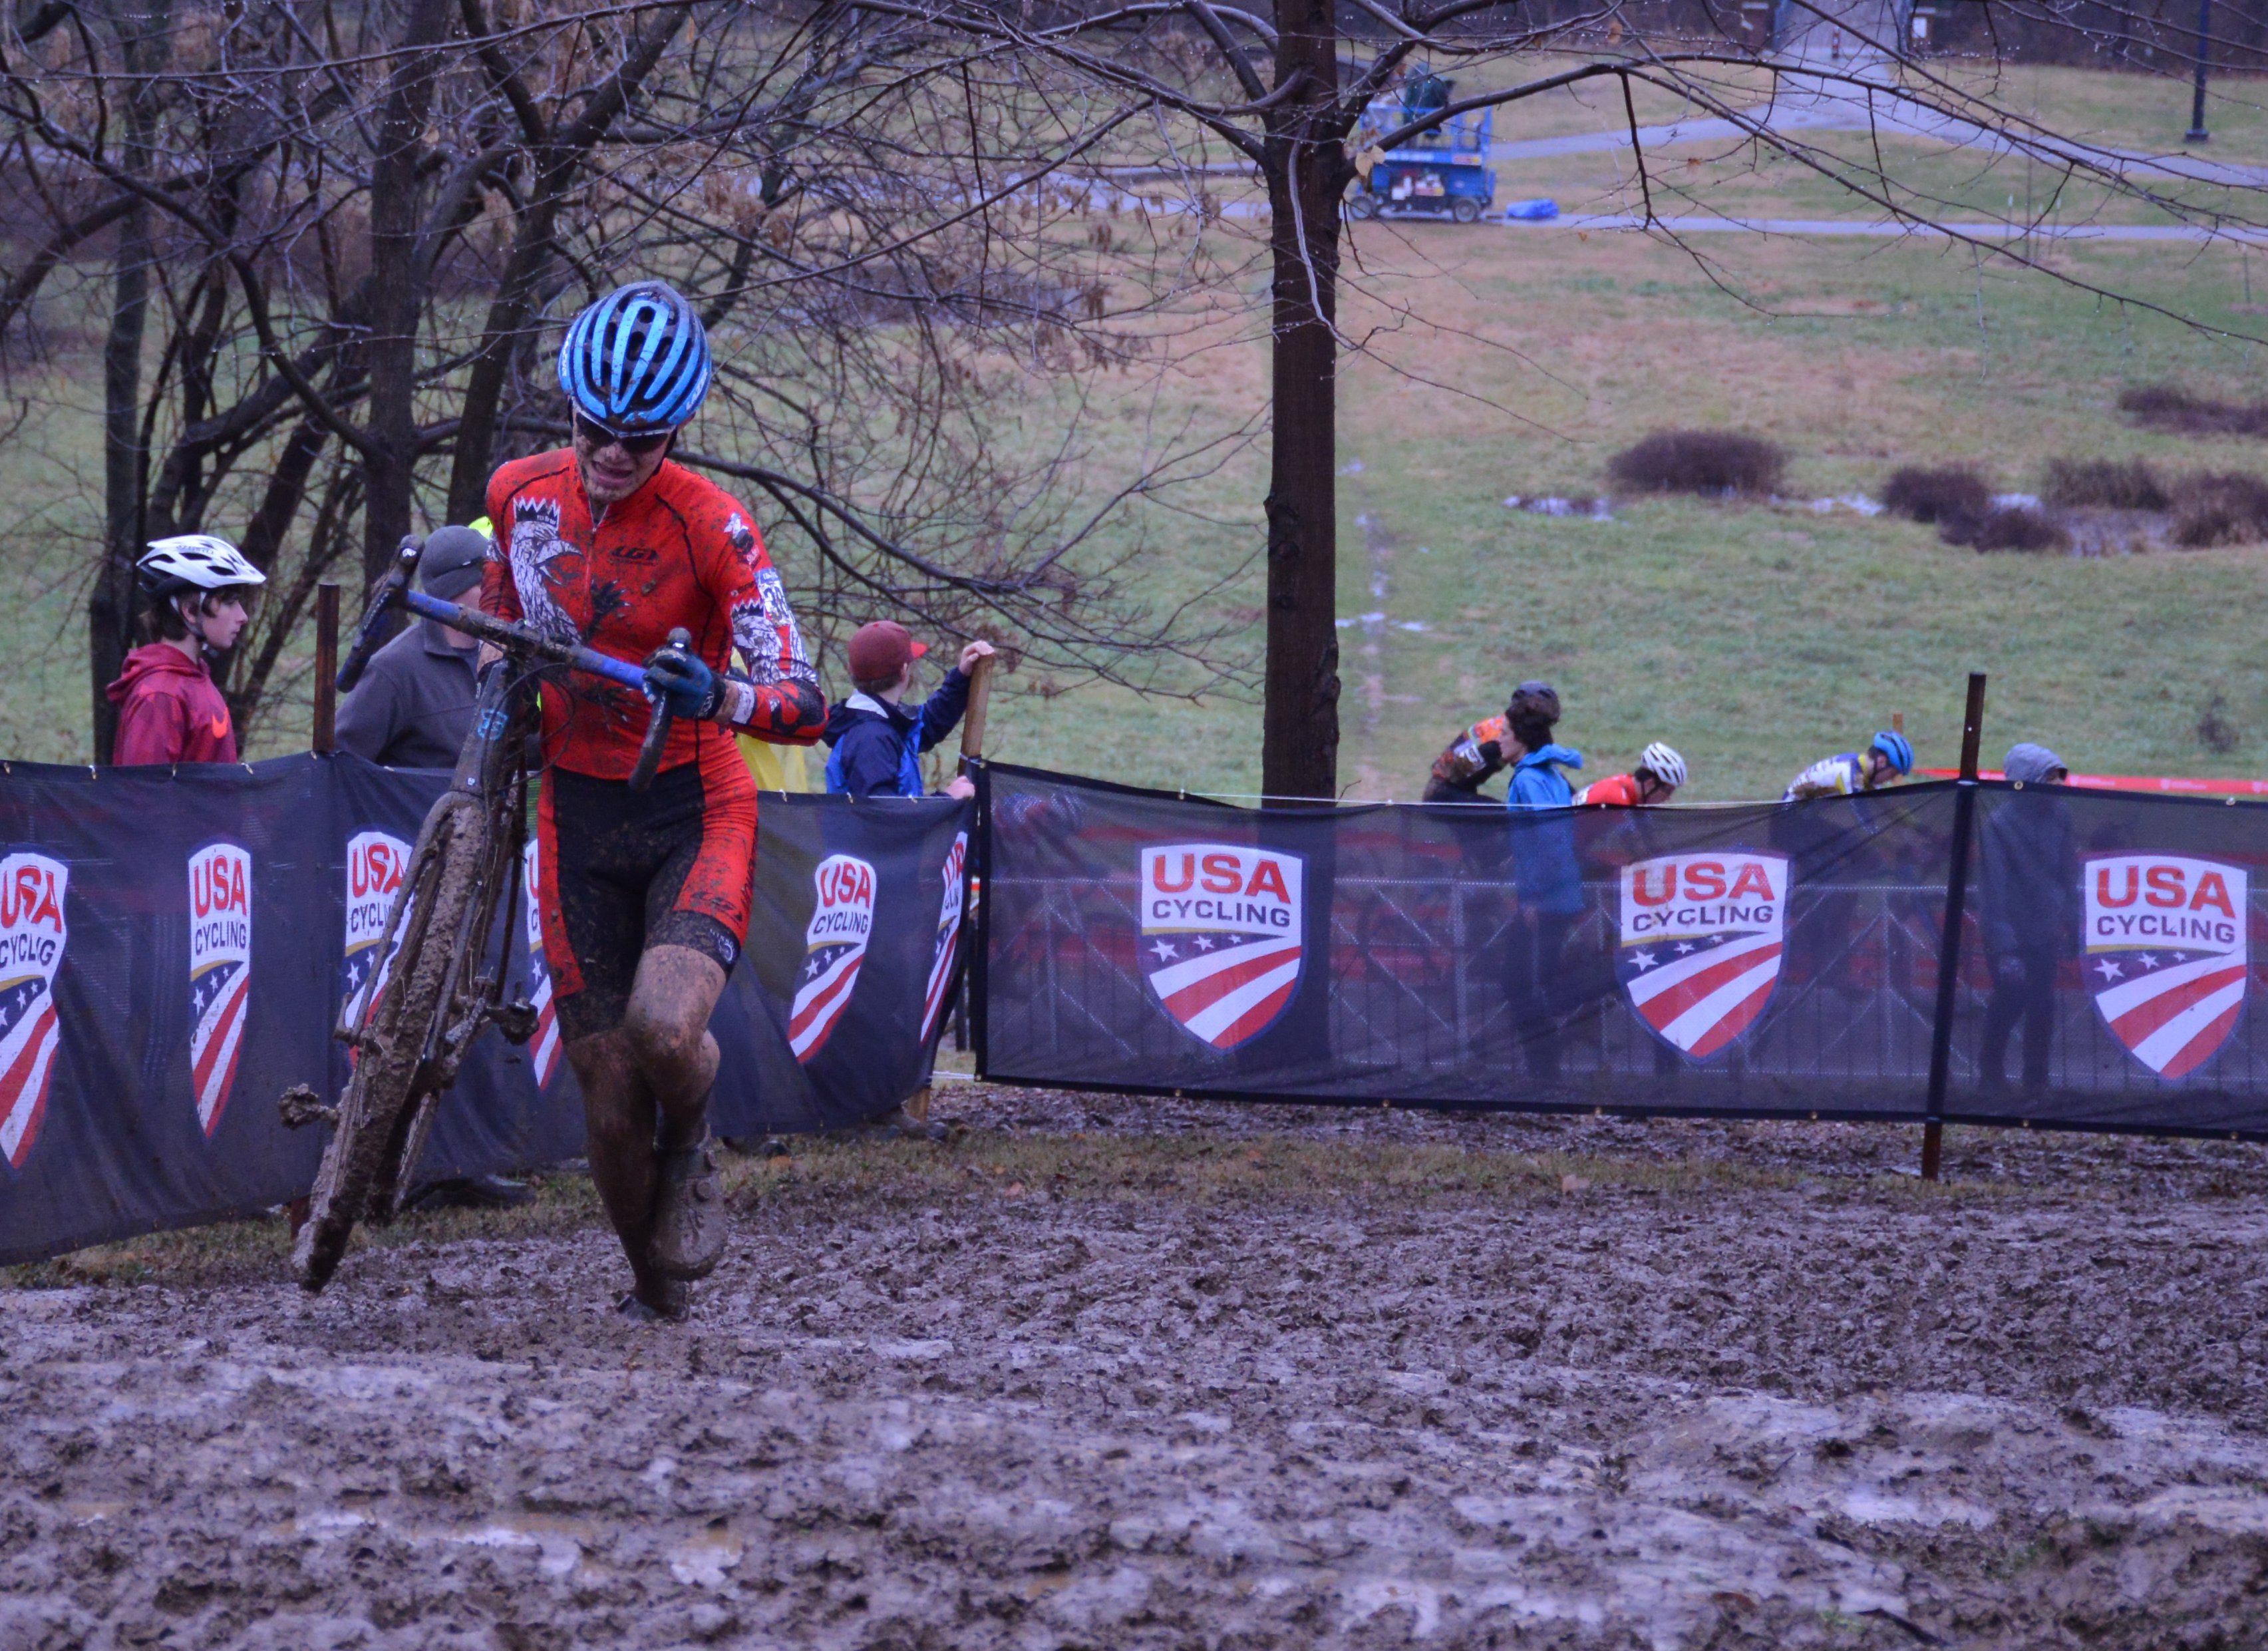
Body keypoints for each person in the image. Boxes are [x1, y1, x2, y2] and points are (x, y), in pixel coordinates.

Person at [481, 280, 827, 1322]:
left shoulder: (716, 526)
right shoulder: (516, 492)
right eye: (594, 429)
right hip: (577, 813)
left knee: (663, 1034)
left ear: (674, 431)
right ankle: (651, 1283)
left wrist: (721, 693)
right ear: (570, 411)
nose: (612, 454)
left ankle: (695, 1134)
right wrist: (502, 696)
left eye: (639, 438)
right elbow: (501, 617)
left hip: (692, 803)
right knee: (605, 1096)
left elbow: (805, 701)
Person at [335, 524, 490, 769]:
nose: (499, 593)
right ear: (454, 590)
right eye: (486, 584)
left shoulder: (505, 656)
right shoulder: (393, 671)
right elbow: (339, 763)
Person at [108, 536, 265, 765]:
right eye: (230, 603)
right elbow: (143, 787)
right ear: (191, 611)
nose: (243, 617)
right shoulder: (161, 695)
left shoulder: (192, 680)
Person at [1978, 743, 2078, 1091]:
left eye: (2060, 777)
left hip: (2045, 930)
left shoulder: (2061, 816)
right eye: (2050, 779)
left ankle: (2036, 1082)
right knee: (2008, 1003)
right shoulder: (1998, 825)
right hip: (2010, 931)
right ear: (2027, 781)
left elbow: (2068, 873)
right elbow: (1993, 887)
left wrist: (2072, 923)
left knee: (2043, 1008)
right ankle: (1991, 1076)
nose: (2058, 786)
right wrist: (2004, 948)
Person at [1503, 682, 1584, 1080]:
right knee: (1537, 982)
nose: (1498, 740)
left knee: (1521, 982)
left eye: (1504, 733)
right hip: (1559, 896)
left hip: (1546, 901)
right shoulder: (1549, 774)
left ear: (1520, 738)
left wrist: (1533, 897)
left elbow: (1550, 840)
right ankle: (1546, 1069)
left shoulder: (1528, 780)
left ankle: (1545, 1071)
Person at [821, 622, 994, 801]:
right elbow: (882, 812)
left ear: (852, 671)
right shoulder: (870, 738)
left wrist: (962, 677)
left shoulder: (882, 718)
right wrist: (947, 800)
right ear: (904, 671)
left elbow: (928, 725)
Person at [1782, 729, 1914, 801]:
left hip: (1808, 817)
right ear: (1882, 762)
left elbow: (1884, 812)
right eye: (1892, 773)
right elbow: (1862, 819)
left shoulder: (1863, 774)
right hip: (1789, 817)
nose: (1891, 779)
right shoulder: (1848, 771)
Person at [1422, 709, 1522, 803]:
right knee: (1512, 813)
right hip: (1443, 792)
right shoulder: (1501, 736)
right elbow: (1449, 771)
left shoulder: (1505, 722)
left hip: (1454, 787)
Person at [1577, 741, 1687, 807]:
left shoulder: (1627, 787)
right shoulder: (1617, 799)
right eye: (1668, 791)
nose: (1668, 798)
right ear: (1650, 783)